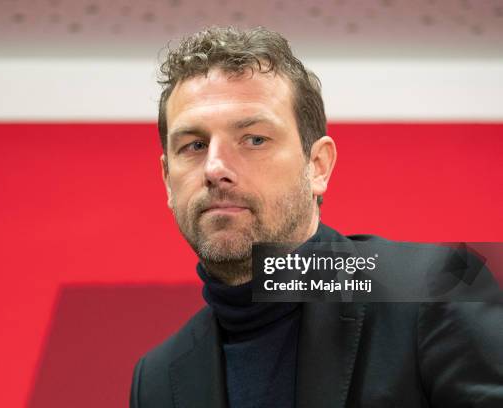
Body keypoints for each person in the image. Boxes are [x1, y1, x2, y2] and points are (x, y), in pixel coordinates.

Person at [130, 26, 503, 408]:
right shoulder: (157, 378)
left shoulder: (436, 287)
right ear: (167, 182)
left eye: (254, 139)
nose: (215, 167)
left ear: (318, 166)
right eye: (194, 145)